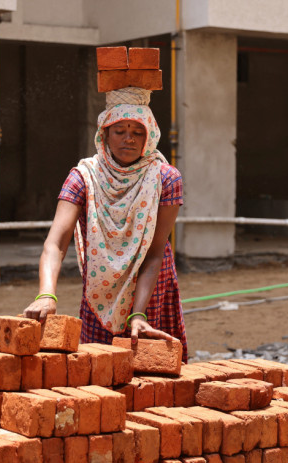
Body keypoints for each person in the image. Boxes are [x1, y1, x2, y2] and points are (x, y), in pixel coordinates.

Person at [23, 87, 188, 362]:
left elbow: (155, 251)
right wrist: (46, 294)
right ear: (104, 135)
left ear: (150, 135)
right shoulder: (83, 177)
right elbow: (55, 243)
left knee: (151, 369)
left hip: (150, 283)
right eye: (119, 131)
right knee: (98, 368)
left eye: (137, 132)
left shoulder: (166, 178)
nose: (129, 140)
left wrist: (139, 314)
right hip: (101, 286)